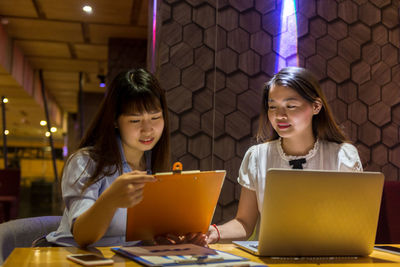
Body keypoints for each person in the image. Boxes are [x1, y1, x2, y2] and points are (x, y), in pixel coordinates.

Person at [206, 66, 362, 243]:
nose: (280, 115)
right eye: (272, 107)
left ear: (316, 106)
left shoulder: (343, 156)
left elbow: (354, 224)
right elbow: (244, 223)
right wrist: (214, 232)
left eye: (291, 106)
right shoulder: (257, 156)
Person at [43, 68, 171, 247]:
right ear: (114, 121)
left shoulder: (153, 165)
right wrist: (109, 200)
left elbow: (135, 234)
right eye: (135, 120)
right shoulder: (85, 162)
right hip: (73, 257)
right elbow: (83, 236)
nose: (148, 129)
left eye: (155, 117)